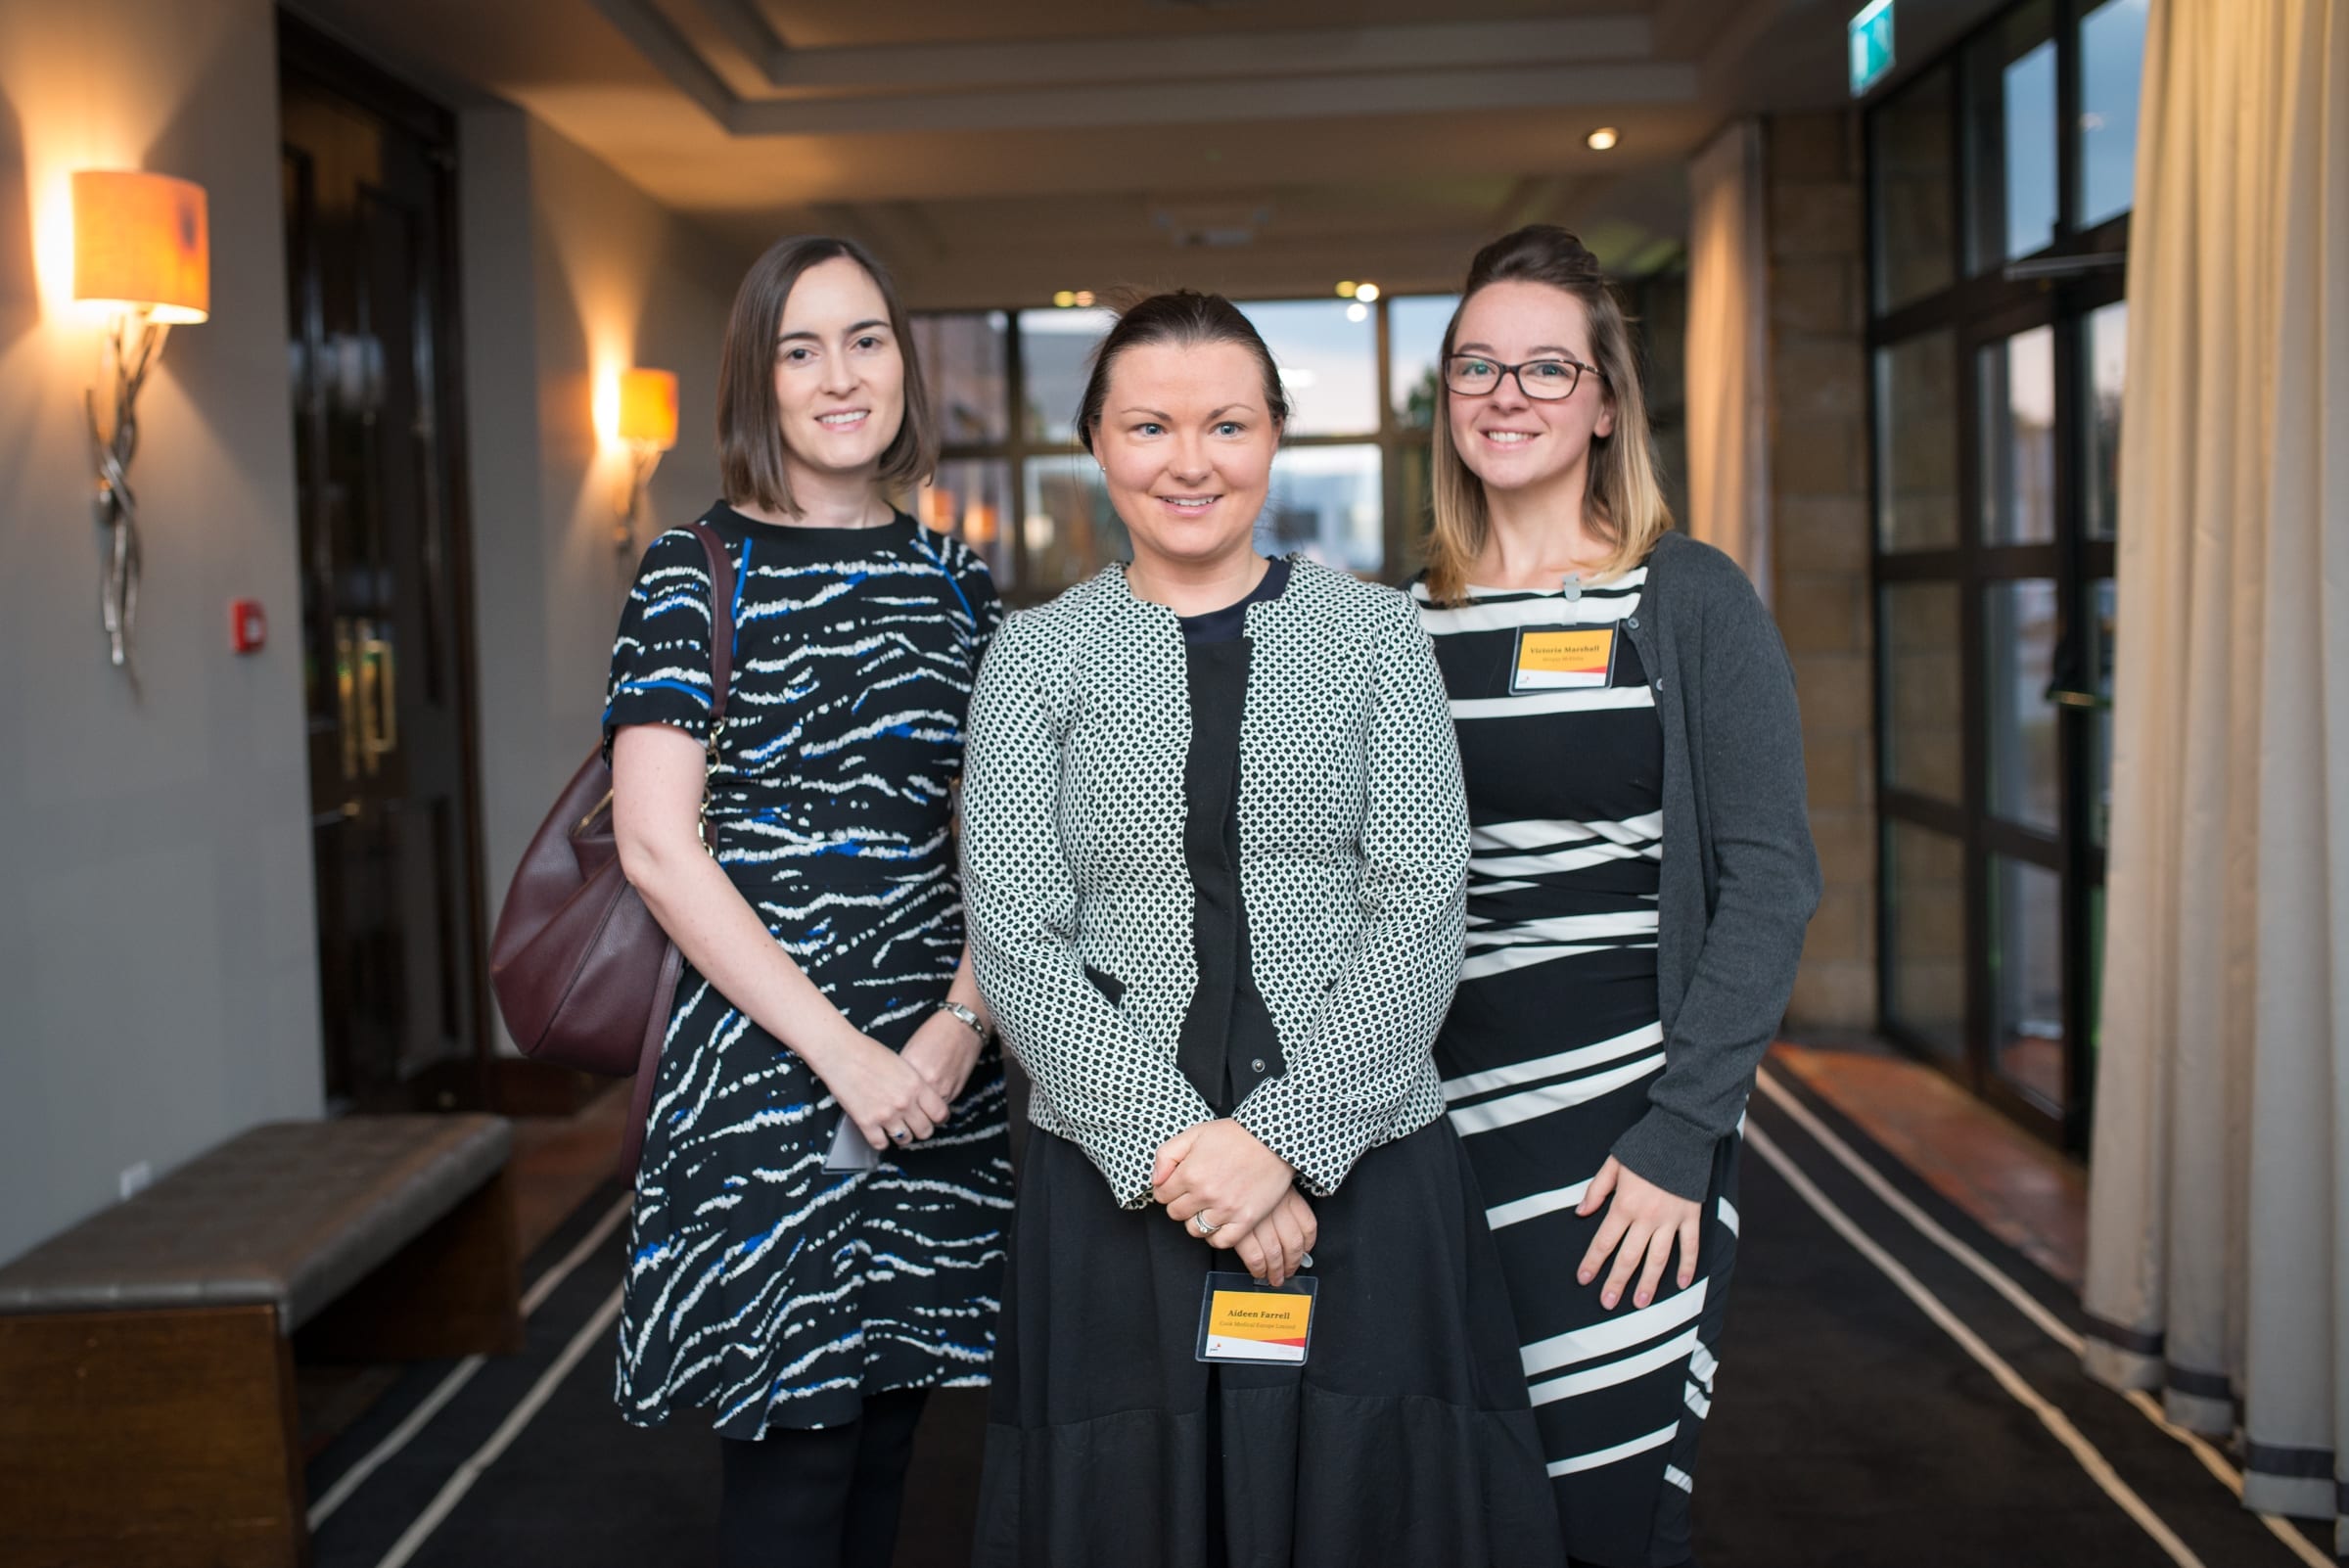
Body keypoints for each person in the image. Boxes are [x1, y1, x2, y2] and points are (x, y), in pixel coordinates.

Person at [958, 290, 1562, 1568]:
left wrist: (1281, 1143)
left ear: (1276, 435)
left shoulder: (1375, 634)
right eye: (1151, 426)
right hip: (1117, 1176)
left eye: (1227, 424)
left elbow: (1421, 898)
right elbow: (1014, 930)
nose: (1191, 461)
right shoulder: (1033, 653)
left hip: (1365, 1159)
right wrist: (1194, 1156)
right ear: (1098, 441)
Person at [1410, 224, 1820, 1568]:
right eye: (1480, 366)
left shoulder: (1688, 597)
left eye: (1544, 367)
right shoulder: (1394, 623)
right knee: (1454, 1498)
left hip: (1622, 1130)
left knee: (1603, 1508)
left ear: (1599, 403)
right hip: (1424, 1130)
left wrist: (1681, 1132)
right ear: (1445, 396)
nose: (1508, 394)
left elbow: (1771, 881)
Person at [604, 234, 1012, 1568]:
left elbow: (1011, 845)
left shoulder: (958, 586)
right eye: (802, 347)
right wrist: (844, 1054)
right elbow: (659, 849)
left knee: (891, 1458)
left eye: (867, 340)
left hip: (935, 1072)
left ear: (904, 362)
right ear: (758, 380)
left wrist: (953, 1030)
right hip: (771, 1077)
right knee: (792, 1480)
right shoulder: (691, 571)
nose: (841, 376)